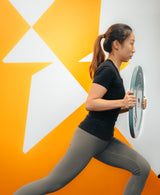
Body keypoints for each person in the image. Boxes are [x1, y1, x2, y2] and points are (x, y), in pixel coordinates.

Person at [13, 23, 150, 195]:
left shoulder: (114, 71)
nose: (134, 49)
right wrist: (121, 102)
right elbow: (91, 103)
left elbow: (109, 109)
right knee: (53, 183)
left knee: (142, 168)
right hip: (90, 137)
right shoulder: (107, 69)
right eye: (131, 43)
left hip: (105, 140)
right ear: (116, 44)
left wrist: (131, 106)